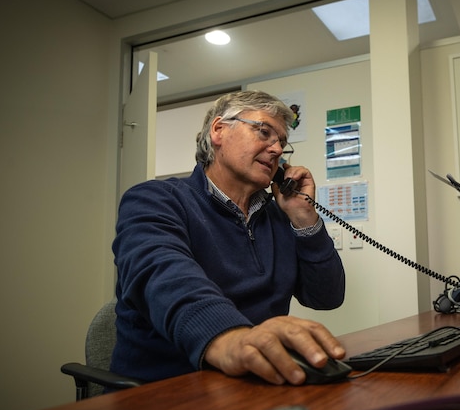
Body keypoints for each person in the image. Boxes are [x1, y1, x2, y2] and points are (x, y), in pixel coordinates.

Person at [110, 90, 346, 386]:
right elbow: (163, 275)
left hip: (258, 381)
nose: (276, 150)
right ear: (219, 130)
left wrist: (304, 218)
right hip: (166, 390)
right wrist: (231, 339)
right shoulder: (154, 200)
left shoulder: (277, 217)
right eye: (263, 132)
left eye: (282, 143)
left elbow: (327, 297)